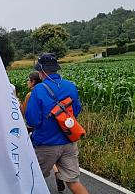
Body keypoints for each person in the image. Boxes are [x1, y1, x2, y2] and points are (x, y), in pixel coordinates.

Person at [25, 53, 88, 194]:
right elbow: (76, 111)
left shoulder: (39, 89)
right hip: (68, 141)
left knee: (32, 179)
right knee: (73, 182)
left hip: (46, 143)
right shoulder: (70, 86)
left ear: (41, 71)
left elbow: (32, 120)